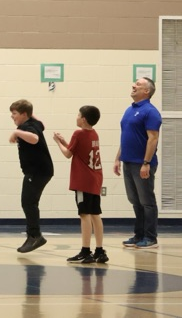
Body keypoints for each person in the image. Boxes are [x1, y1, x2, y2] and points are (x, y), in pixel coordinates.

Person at [53, 105, 108, 264]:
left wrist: (58, 142)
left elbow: (68, 154)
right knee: (96, 214)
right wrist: (64, 140)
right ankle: (99, 250)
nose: (76, 117)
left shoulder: (78, 133)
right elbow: (77, 149)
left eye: (78, 114)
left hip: (83, 180)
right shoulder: (93, 133)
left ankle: (85, 251)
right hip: (95, 178)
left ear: (83, 119)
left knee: (84, 215)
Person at [113, 77, 162, 249]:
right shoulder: (129, 110)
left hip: (142, 164)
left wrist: (146, 162)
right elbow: (126, 136)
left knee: (146, 201)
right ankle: (139, 234)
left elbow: (153, 139)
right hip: (128, 161)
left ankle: (150, 237)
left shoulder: (150, 111)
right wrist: (118, 158)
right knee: (135, 200)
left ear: (146, 91)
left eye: (138, 84)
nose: (133, 85)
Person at [9, 99, 54, 253]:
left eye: (14, 113)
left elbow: (34, 139)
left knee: (28, 203)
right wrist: (30, 112)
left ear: (23, 114)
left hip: (37, 171)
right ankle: (33, 235)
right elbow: (42, 124)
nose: (12, 117)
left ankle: (35, 236)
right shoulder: (34, 123)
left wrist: (16, 132)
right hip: (41, 171)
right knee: (29, 202)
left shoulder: (27, 127)